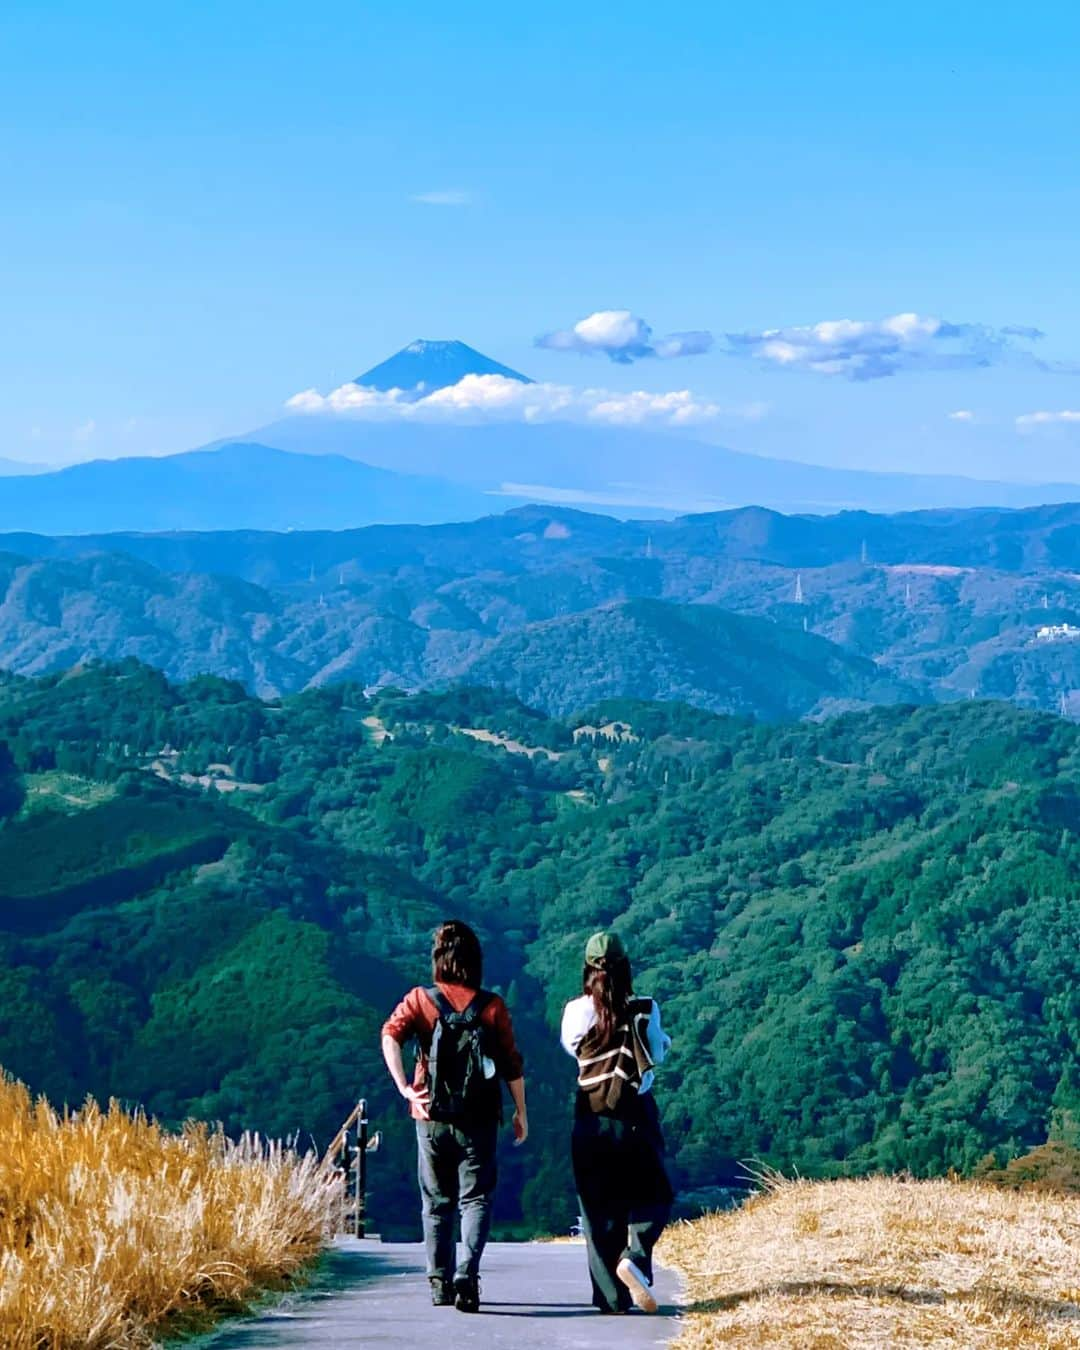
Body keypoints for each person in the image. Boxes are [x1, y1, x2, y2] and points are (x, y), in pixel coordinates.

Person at [382, 919, 527, 1313]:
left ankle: (439, 1283)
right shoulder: (492, 1007)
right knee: (476, 1199)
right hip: (478, 1119)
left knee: (436, 1201)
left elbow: (389, 1034)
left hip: (429, 1115)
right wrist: (521, 1113)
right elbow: (511, 1064)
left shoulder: (420, 1001)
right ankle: (467, 1271)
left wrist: (404, 1086)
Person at [560, 930, 673, 1315]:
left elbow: (573, 1049)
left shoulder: (575, 1012)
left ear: (588, 969)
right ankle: (636, 1258)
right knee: (655, 1195)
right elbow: (655, 1053)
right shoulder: (646, 1007)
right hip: (635, 1115)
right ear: (626, 967)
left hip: (591, 1118)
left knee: (597, 1210)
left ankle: (611, 1298)